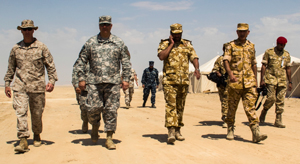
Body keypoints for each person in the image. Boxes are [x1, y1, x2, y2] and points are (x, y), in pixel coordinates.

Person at [75, 15, 131, 150]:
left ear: (111, 26)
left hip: (113, 82)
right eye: (102, 24)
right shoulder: (91, 42)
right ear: (99, 26)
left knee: (111, 110)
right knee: (93, 108)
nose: (104, 26)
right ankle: (95, 127)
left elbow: (126, 61)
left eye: (107, 24)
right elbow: (81, 61)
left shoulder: (118, 42)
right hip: (94, 82)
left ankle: (109, 137)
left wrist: (126, 79)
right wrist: (81, 78)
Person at [4, 19, 58, 152]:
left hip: (37, 88)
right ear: (21, 31)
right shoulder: (15, 49)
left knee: (37, 114)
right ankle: (23, 140)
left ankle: (37, 134)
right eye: (24, 29)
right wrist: (7, 83)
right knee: (20, 112)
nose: (27, 31)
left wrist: (51, 81)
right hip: (20, 87)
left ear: (33, 30)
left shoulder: (42, 47)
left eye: (29, 29)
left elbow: (50, 66)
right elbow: (11, 68)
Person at [223, 23, 267, 143]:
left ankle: (255, 132)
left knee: (250, 108)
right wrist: (230, 74)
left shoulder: (251, 46)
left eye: (244, 31)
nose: (242, 33)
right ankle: (230, 129)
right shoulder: (231, 45)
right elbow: (226, 60)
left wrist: (255, 82)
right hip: (235, 83)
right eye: (240, 31)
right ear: (237, 32)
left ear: (248, 32)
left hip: (249, 83)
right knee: (231, 108)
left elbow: (253, 63)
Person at [158, 23, 200, 144]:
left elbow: (194, 57)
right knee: (171, 106)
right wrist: (171, 44)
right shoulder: (164, 44)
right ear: (171, 33)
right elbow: (161, 56)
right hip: (170, 81)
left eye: (179, 33)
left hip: (183, 81)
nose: (177, 36)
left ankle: (178, 130)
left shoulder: (187, 44)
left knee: (180, 107)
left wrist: (196, 69)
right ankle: (171, 131)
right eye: (175, 34)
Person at [259, 36, 292, 128]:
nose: (282, 46)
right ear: (277, 44)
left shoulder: (286, 54)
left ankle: (278, 120)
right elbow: (264, 66)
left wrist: (290, 82)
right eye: (281, 45)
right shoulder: (269, 52)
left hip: (282, 80)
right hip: (270, 79)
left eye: (284, 45)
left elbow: (288, 68)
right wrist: (262, 80)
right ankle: (264, 111)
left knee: (280, 100)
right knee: (271, 98)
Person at [212, 43, 228, 128]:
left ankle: (230, 118)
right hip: (223, 84)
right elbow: (215, 69)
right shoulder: (220, 59)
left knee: (231, 102)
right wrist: (219, 74)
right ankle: (226, 118)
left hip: (232, 84)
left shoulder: (234, 59)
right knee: (225, 101)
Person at [72, 60, 90, 133]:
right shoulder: (81, 61)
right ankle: (85, 121)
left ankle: (95, 125)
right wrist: (76, 85)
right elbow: (75, 73)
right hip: (84, 89)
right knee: (83, 107)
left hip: (96, 88)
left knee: (97, 108)